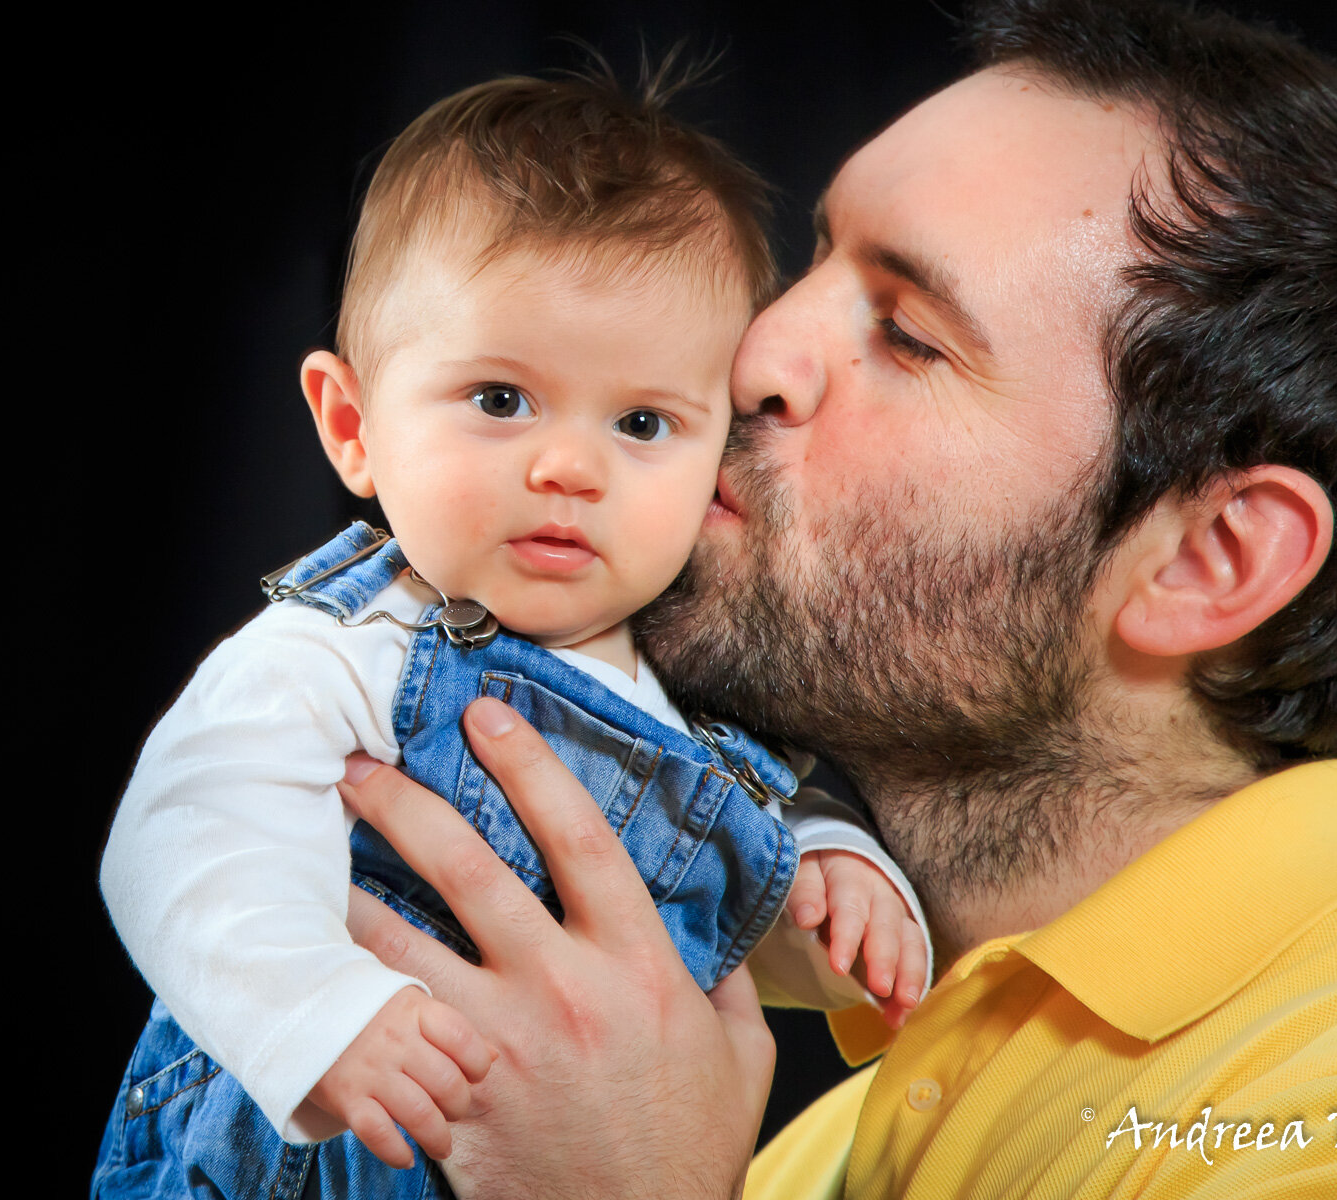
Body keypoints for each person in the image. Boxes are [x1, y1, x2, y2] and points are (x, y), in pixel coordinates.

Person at [331, 1, 1337, 1196]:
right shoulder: (813, 1155)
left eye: (909, 333)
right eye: (817, 260)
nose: (752, 354)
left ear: (1207, 561)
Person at [92, 67, 931, 1199]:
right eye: (499, 398)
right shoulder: (348, 647)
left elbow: (675, 945)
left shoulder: (691, 698)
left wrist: (827, 889)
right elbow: (187, 838)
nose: (569, 467)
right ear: (352, 425)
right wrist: (318, 1016)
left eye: (642, 422)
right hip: (305, 1153)